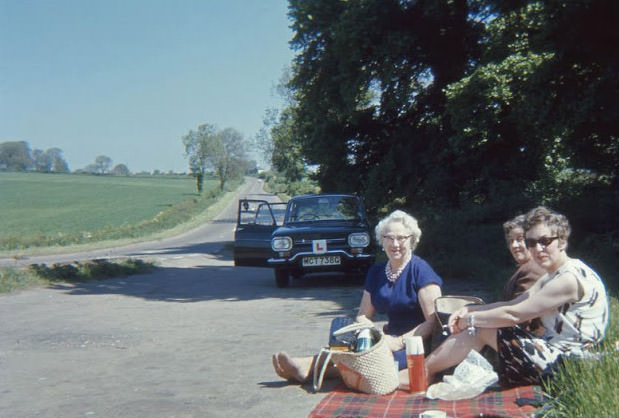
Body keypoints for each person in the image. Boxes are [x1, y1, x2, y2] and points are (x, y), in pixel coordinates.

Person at [425, 206, 609, 388]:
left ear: (562, 242)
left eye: (545, 241)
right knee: (481, 325)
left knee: (480, 328)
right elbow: (514, 303)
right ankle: (425, 371)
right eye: (531, 243)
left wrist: (470, 319)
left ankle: (422, 372)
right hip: (557, 357)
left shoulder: (569, 279)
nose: (538, 249)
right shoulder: (553, 275)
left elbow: (515, 315)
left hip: (570, 366)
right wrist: (471, 309)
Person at [272, 209, 443, 383]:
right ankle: (308, 367)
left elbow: (434, 320)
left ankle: (307, 366)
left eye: (401, 238)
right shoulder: (377, 272)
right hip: (387, 338)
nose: (395, 244)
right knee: (350, 343)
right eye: (389, 238)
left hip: (416, 344)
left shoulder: (421, 271)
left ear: (412, 239)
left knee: (378, 363)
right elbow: (362, 315)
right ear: (381, 240)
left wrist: (398, 342)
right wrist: (371, 334)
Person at [502, 214, 547, 335]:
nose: (514, 246)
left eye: (519, 239)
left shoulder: (533, 268)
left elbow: (519, 316)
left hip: (529, 340)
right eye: (511, 241)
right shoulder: (525, 267)